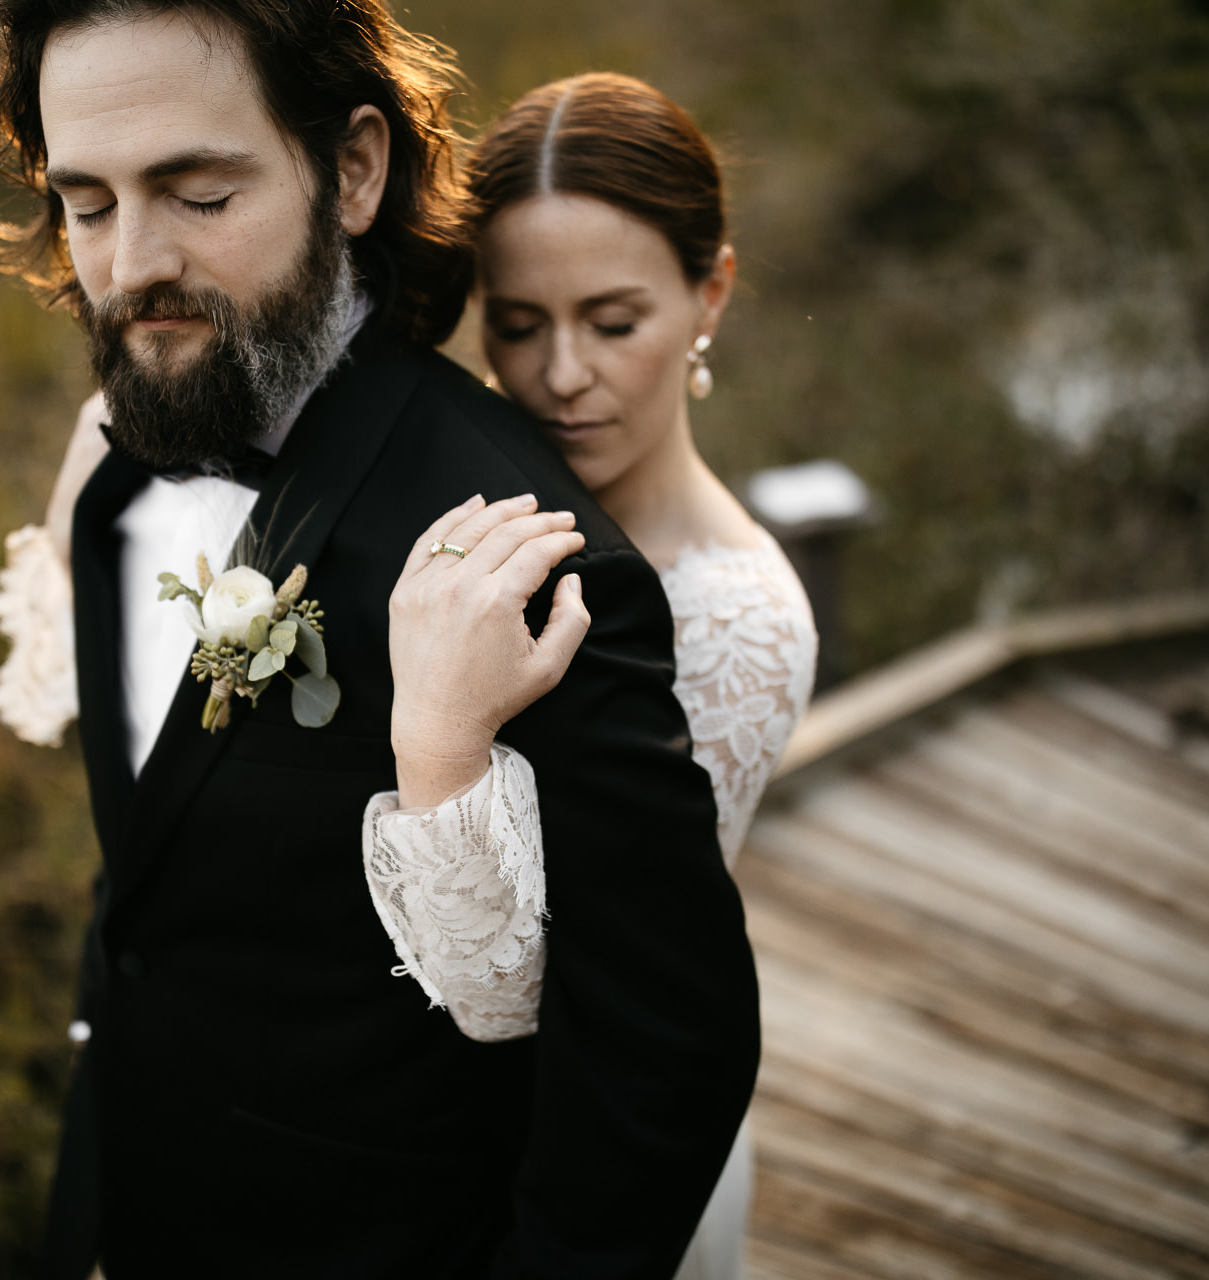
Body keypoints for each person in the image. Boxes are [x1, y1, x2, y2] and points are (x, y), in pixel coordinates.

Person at [0, 3, 758, 1278]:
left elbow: (662, 1062)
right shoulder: (114, 475)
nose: (129, 267)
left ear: (352, 169)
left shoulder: (534, 567)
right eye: (90, 202)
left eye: (198, 195)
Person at [359, 75, 817, 1280]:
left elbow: (599, 982)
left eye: (614, 323)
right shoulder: (472, 509)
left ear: (708, 291)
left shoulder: (740, 614)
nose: (562, 375)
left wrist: (443, 744)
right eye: (518, 324)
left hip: (582, 1159)